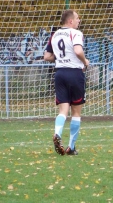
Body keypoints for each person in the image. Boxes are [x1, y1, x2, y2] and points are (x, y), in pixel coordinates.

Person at [44, 9, 90, 156]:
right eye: (77, 18)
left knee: (63, 110)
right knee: (76, 112)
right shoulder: (76, 33)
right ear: (70, 21)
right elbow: (77, 51)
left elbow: (47, 56)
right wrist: (84, 62)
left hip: (60, 73)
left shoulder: (55, 34)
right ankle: (71, 146)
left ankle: (57, 133)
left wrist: (61, 58)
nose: (79, 21)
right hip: (74, 73)